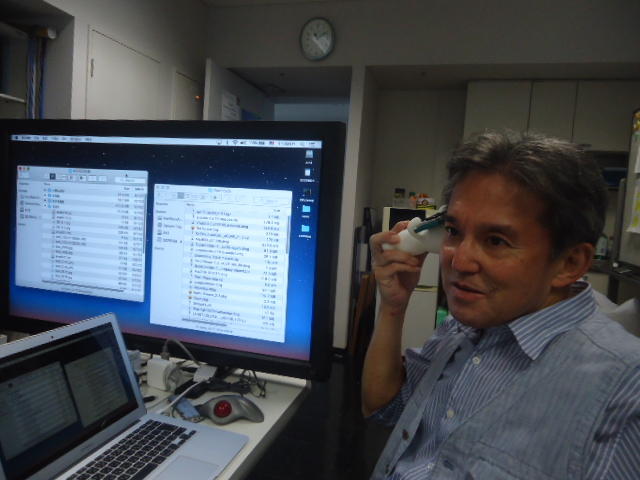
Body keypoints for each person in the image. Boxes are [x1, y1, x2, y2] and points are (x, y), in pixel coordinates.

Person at [363, 131, 640, 479]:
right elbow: (382, 407)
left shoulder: (624, 394)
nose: (459, 261)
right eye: (454, 231)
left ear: (570, 263)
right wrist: (392, 308)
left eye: (496, 240)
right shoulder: (463, 328)